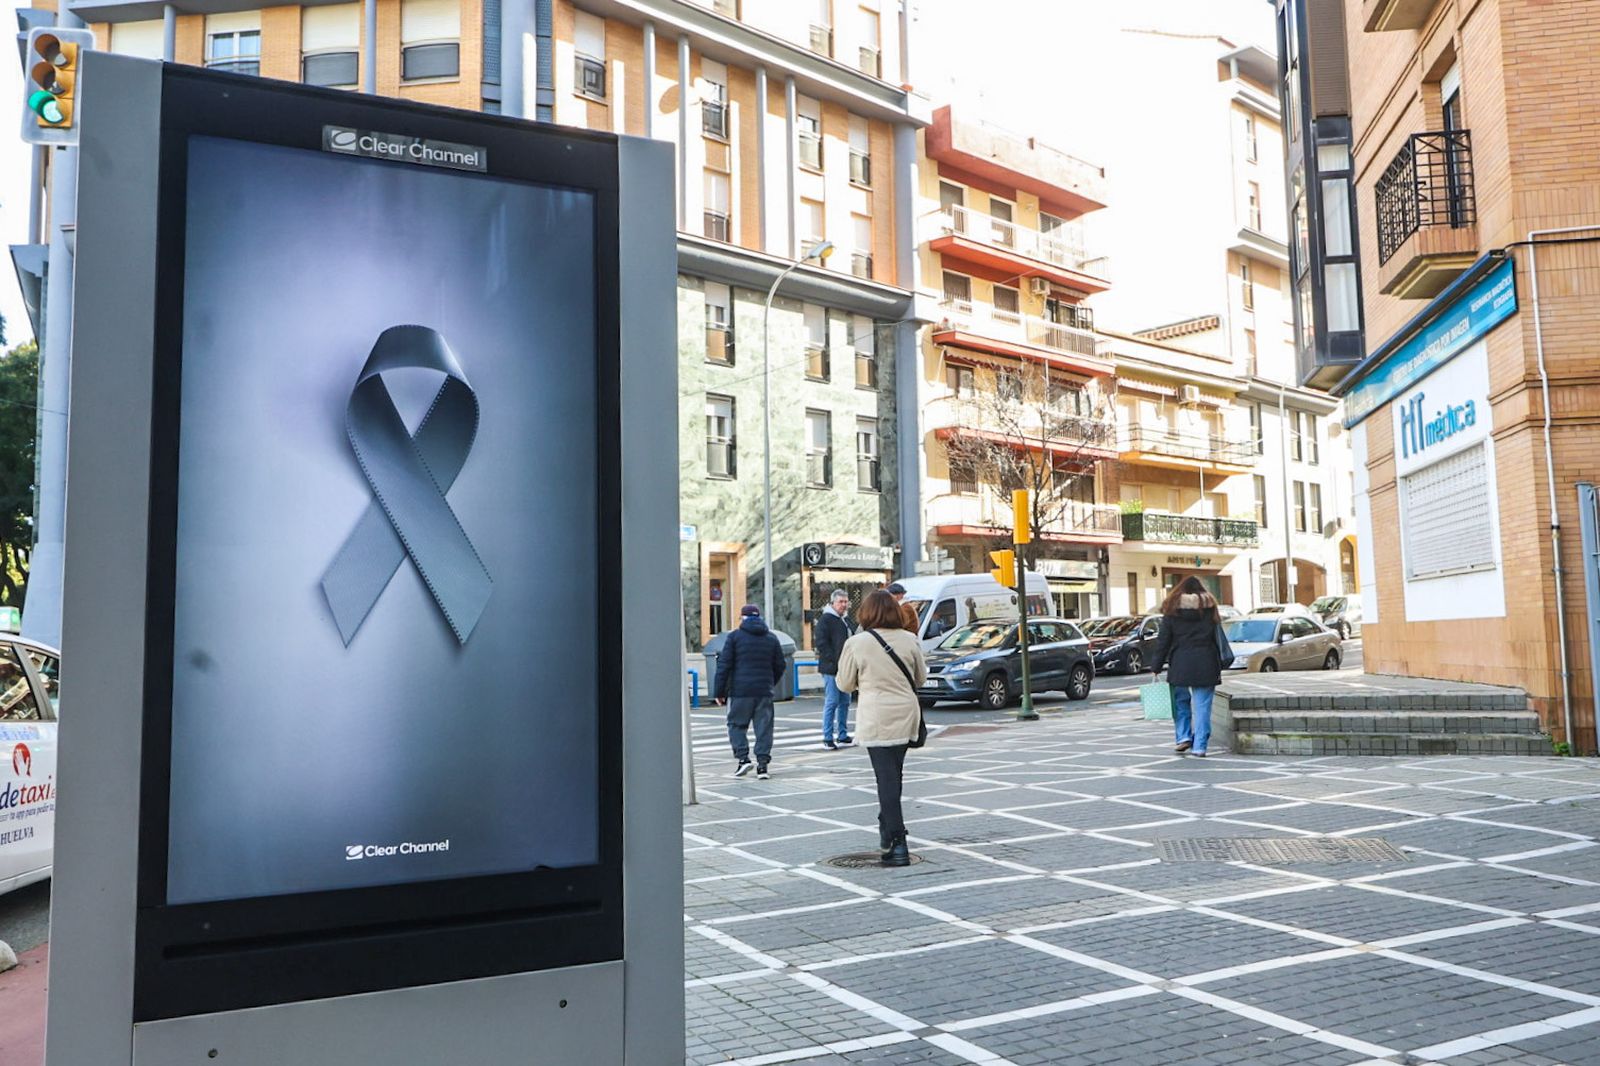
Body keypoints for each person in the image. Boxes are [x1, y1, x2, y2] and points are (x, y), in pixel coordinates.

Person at [837, 590, 927, 866]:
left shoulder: (857, 643)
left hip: (876, 715)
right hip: (905, 713)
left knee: (885, 779)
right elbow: (921, 678)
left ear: (866, 613)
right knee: (893, 775)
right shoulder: (910, 640)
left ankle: (897, 840)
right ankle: (887, 829)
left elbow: (844, 683)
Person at [1149, 576, 1229, 757]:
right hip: (1206, 662)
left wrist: (1156, 665)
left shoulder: (1172, 611)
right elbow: (1217, 638)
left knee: (1180, 702)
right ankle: (1200, 746)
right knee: (1202, 707)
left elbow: (1163, 641)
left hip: (1180, 663)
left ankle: (1183, 736)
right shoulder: (1210, 609)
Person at [714, 604, 786, 780]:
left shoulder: (734, 638)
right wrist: (770, 682)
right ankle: (763, 765)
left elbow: (724, 665)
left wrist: (719, 691)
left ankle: (743, 758)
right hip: (764, 691)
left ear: (742, 618)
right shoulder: (771, 638)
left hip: (740, 691)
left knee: (736, 725)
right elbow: (780, 665)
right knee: (764, 728)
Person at [814, 589, 854, 749]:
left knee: (845, 701)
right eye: (841, 602)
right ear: (833, 603)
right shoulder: (826, 619)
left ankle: (842, 734)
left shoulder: (844, 620)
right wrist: (835, 660)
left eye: (846, 602)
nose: (844, 605)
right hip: (832, 668)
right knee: (832, 701)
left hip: (845, 667)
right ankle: (827, 736)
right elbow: (821, 643)